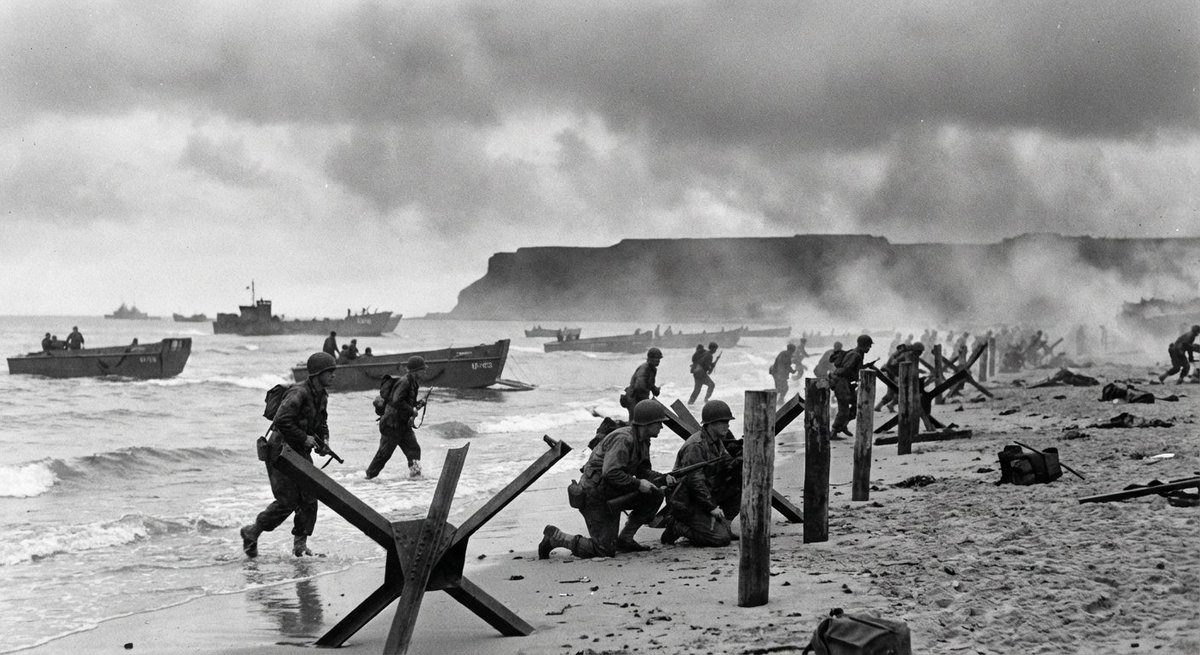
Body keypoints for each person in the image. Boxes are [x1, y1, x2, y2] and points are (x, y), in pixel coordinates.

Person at [539, 399, 673, 558]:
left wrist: (664, 479)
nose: (662, 427)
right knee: (603, 551)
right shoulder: (624, 439)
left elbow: (643, 471)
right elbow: (610, 473)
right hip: (594, 496)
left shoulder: (643, 441)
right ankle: (555, 538)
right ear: (646, 424)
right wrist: (638, 484)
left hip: (613, 492)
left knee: (655, 494)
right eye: (658, 423)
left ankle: (626, 539)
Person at [240, 352, 336, 558]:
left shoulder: (322, 396)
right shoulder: (298, 393)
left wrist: (324, 442)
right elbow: (282, 420)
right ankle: (252, 531)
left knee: (310, 497)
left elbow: (322, 423)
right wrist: (304, 438)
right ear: (318, 373)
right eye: (329, 372)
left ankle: (300, 546)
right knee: (287, 501)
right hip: (280, 451)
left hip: (299, 451)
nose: (333, 376)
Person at [660, 400, 741, 547]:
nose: (727, 425)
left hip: (704, 493)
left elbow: (727, 464)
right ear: (710, 424)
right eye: (723, 421)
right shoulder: (696, 446)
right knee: (720, 539)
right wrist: (711, 507)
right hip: (686, 501)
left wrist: (741, 459)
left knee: (741, 479)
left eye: (727, 421)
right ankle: (677, 526)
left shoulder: (716, 441)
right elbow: (694, 481)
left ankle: (725, 526)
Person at [366, 355, 428, 479]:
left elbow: (407, 403)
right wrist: (412, 410)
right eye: (423, 369)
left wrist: (419, 404)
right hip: (391, 424)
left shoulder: (414, 384)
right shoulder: (404, 382)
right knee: (384, 455)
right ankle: (368, 479)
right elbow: (396, 401)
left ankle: (416, 476)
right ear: (416, 371)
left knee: (414, 449)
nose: (425, 372)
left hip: (402, 424)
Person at [830, 334, 873, 438]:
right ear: (863, 345)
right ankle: (834, 431)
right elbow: (844, 370)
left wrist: (865, 367)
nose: (869, 348)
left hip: (847, 384)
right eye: (868, 346)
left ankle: (843, 425)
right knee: (844, 410)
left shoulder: (858, 354)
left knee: (858, 404)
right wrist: (857, 375)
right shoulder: (855, 354)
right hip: (841, 383)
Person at [622, 348, 662, 421]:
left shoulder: (652, 369)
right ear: (650, 358)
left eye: (659, 359)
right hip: (633, 397)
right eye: (656, 358)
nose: (658, 361)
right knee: (635, 421)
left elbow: (649, 383)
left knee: (643, 420)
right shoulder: (644, 368)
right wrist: (646, 401)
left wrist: (654, 389)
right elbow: (640, 385)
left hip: (640, 398)